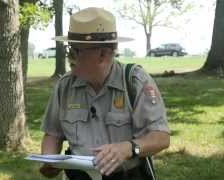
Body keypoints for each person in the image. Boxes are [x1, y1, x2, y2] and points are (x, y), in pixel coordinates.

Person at [39, 7, 170, 180]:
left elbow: (161, 137)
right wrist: (49, 160)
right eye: (68, 49)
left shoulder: (134, 81)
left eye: (75, 51)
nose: (69, 57)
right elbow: (53, 134)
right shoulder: (64, 86)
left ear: (101, 54)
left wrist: (129, 148)